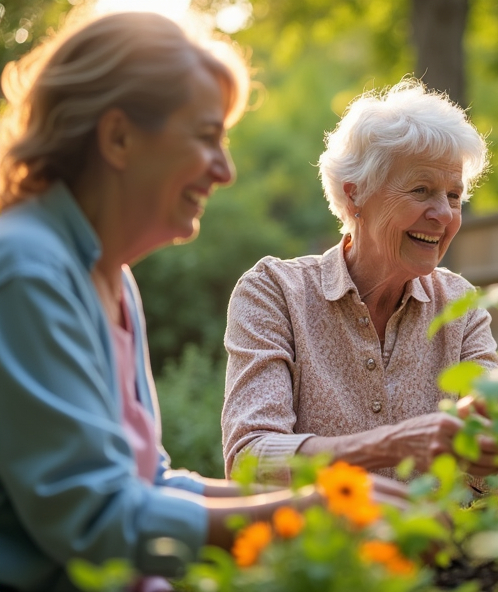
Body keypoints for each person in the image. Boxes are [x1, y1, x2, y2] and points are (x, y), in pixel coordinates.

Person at [0, 12, 405, 591]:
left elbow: (149, 480)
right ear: (118, 137)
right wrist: (309, 514)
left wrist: (323, 499)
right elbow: (93, 519)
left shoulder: (110, 274)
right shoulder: (28, 271)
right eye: (205, 136)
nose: (226, 169)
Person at [222, 80, 498, 489]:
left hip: (438, 548)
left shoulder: (459, 305)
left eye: (454, 196)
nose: (443, 214)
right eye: (421, 190)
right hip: (317, 548)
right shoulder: (275, 292)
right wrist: (392, 445)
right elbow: (250, 457)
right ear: (355, 197)